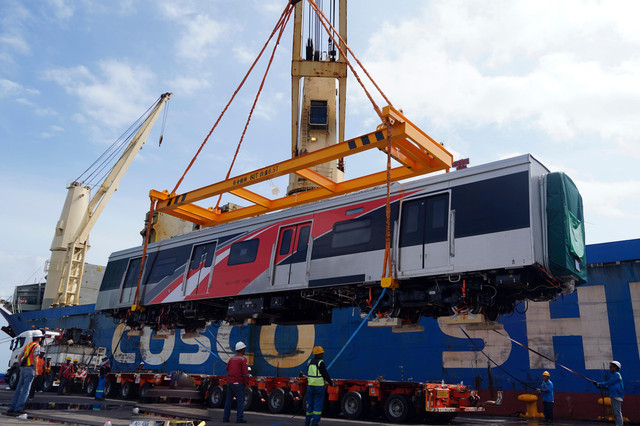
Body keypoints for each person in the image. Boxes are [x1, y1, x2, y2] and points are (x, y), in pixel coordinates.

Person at [7, 329, 43, 416]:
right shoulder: (37, 346)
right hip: (30, 369)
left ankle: (12, 408)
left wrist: (20, 366)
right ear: (38, 338)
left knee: (18, 389)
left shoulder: (27, 346)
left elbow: (20, 356)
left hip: (23, 369)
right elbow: (35, 359)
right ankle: (19, 408)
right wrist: (36, 370)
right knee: (26, 390)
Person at [306, 346, 333, 426]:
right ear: (318, 354)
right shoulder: (321, 363)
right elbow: (325, 374)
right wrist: (330, 383)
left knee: (310, 405)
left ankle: (307, 423)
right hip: (319, 387)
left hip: (310, 386)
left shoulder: (309, 362)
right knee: (317, 406)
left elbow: (309, 371)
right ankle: (314, 424)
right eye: (322, 353)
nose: (323, 355)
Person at [223, 341, 249, 423]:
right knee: (240, 401)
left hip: (230, 382)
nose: (245, 350)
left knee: (228, 401)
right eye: (244, 348)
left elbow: (227, 368)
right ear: (242, 349)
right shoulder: (243, 359)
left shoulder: (231, 359)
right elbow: (245, 374)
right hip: (238, 383)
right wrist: (246, 383)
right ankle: (239, 418)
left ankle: (225, 418)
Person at [595, 361, 624, 426]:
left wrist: (600, 384)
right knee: (615, 413)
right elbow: (610, 386)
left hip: (616, 396)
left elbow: (609, 382)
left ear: (615, 368)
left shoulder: (616, 374)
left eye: (611, 367)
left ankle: (619, 425)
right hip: (614, 395)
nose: (609, 368)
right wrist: (599, 386)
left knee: (617, 413)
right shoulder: (615, 375)